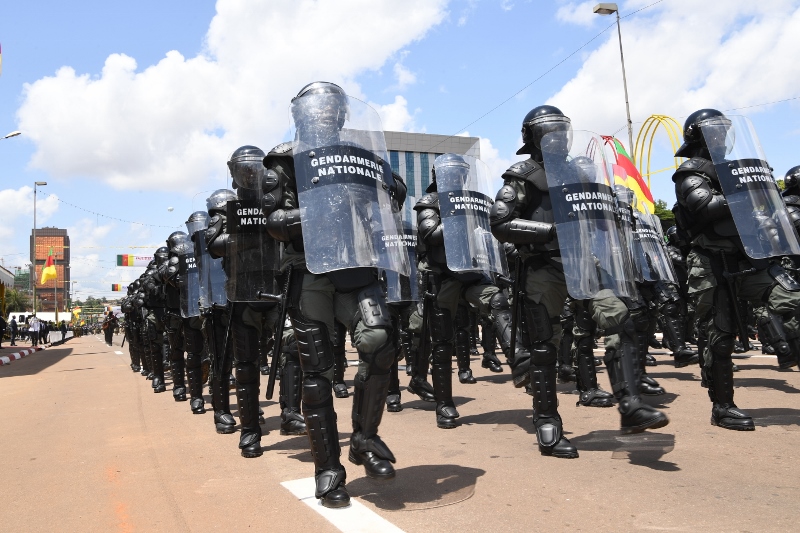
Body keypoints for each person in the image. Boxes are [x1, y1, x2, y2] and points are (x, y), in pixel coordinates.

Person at [490, 105, 668, 458]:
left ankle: (630, 404)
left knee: (621, 320)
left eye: (561, 130)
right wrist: (548, 232)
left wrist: (614, 213)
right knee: (545, 346)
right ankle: (547, 422)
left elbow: (596, 219)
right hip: (544, 266)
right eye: (549, 131)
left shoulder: (579, 174)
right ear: (533, 137)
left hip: (586, 262)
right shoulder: (523, 177)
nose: (557, 138)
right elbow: (502, 223)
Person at [265, 81, 403, 507]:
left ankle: (364, 438)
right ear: (302, 115)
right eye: (318, 110)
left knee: (380, 343)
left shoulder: (358, 157)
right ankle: (328, 468)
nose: (326, 116)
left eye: (333, 110)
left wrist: (387, 184)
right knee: (318, 371)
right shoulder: (283, 161)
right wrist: (317, 208)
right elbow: (273, 219)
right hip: (310, 271)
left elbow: (392, 196)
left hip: (355, 264)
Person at [672, 108, 800, 429]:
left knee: (791, 300)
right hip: (711, 260)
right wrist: (745, 193)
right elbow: (704, 205)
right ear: (697, 136)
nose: (722, 137)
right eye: (714, 131)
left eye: (724, 131)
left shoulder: (738, 170)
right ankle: (723, 407)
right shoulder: (691, 172)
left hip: (751, 255)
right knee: (720, 335)